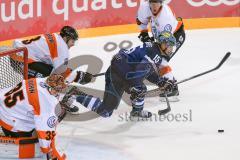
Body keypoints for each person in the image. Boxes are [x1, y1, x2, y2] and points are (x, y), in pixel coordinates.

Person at [72, 31, 177, 118]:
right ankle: (75, 94)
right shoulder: (155, 54)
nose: (171, 49)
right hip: (116, 75)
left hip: (123, 71)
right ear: (162, 44)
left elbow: (145, 71)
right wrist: (135, 88)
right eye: (169, 46)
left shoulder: (155, 51)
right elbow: (139, 73)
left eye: (172, 46)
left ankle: (137, 111)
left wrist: (160, 81)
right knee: (106, 111)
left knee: (139, 88)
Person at [11, 26, 93, 114]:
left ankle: (50, 101)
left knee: (49, 78)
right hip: (21, 59)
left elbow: (55, 66)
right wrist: (79, 76)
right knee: (50, 80)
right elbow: (59, 73)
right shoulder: (61, 47)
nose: (73, 44)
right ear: (66, 38)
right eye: (72, 41)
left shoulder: (56, 38)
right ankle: (54, 102)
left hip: (19, 54)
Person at [0, 74, 70, 159]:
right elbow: (44, 127)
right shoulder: (46, 101)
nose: (58, 92)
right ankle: (11, 134)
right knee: (28, 141)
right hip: (10, 121)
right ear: (50, 88)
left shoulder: (39, 80)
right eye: (57, 90)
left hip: (4, 105)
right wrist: (47, 149)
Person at [136, 0, 185, 100]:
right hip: (160, 36)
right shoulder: (144, 7)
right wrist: (144, 34)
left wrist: (153, 51)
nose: (154, 6)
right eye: (152, 3)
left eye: (157, 3)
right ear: (149, 3)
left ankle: (172, 88)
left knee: (161, 60)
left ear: (161, 3)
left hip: (174, 37)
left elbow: (166, 43)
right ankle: (167, 82)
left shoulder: (166, 17)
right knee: (155, 58)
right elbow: (141, 22)